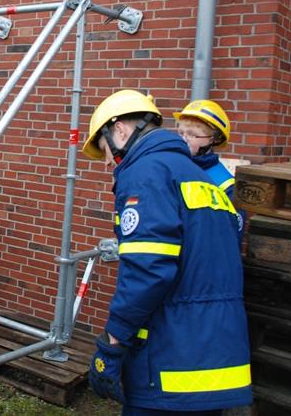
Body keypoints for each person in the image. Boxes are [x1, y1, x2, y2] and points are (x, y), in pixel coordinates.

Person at [81, 89, 251, 414]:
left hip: (171, 361)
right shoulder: (200, 176)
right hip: (217, 357)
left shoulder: (146, 173)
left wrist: (113, 344)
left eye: (105, 150)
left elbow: (148, 270)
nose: (107, 162)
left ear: (120, 130)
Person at [174, 99, 245, 236]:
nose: (184, 139)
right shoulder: (173, 166)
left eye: (192, 134)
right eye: (181, 133)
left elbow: (230, 233)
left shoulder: (226, 185)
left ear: (214, 139)